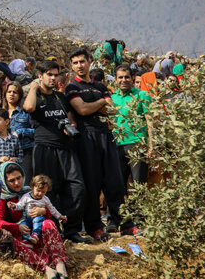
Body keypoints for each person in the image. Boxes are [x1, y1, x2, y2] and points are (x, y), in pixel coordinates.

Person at [66, 48, 135, 239]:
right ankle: (94, 227)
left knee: (116, 182)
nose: (79, 65)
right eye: (76, 63)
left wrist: (97, 104)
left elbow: (112, 110)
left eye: (82, 61)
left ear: (89, 62)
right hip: (87, 137)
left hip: (107, 135)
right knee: (92, 183)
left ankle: (126, 224)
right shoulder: (72, 87)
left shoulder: (100, 86)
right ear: (72, 66)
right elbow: (82, 109)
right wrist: (100, 103)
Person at [22, 59, 89, 243]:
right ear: (40, 76)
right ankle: (53, 231)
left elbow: (71, 119)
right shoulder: (35, 96)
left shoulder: (60, 98)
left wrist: (70, 126)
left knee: (77, 187)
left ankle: (72, 230)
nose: (52, 78)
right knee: (48, 191)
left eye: (55, 75)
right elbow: (28, 108)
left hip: (65, 148)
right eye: (49, 75)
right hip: (44, 148)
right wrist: (34, 88)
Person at [0, 162, 69, 279]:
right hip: (16, 235)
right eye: (11, 180)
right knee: (8, 239)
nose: (17, 183)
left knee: (49, 223)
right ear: (4, 181)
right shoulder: (0, 197)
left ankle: (59, 264)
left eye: (19, 178)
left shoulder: (31, 192)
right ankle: (45, 268)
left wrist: (43, 211)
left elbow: (49, 212)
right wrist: (17, 227)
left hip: (35, 233)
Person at [111, 65, 152, 187]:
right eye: (120, 77)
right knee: (118, 186)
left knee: (138, 184)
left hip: (137, 145)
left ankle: (138, 207)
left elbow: (150, 121)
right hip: (117, 146)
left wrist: (151, 146)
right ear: (115, 79)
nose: (123, 80)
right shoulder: (112, 98)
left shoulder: (143, 95)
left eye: (127, 77)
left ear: (132, 78)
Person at [8, 175, 66, 244]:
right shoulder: (26, 196)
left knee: (37, 220)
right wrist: (13, 206)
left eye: (43, 192)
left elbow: (52, 209)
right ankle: (27, 239)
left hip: (39, 217)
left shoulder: (45, 199)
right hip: (28, 218)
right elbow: (20, 205)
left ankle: (35, 235)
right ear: (32, 187)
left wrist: (60, 216)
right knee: (23, 226)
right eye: (38, 190)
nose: (40, 193)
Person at [5, 81, 35, 181]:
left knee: (25, 182)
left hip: (25, 150)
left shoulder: (25, 113)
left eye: (15, 92)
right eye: (9, 92)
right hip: (6, 153)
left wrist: (20, 132)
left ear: (20, 95)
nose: (11, 94)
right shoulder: (0, 112)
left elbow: (36, 131)